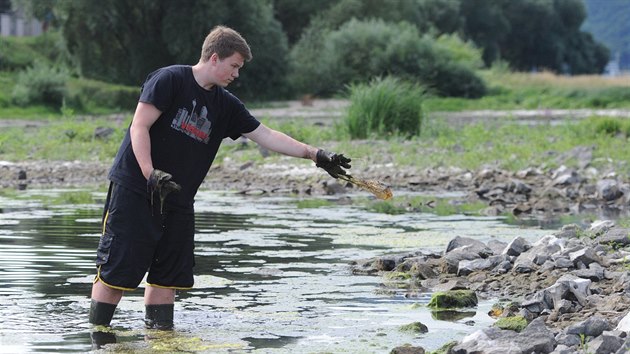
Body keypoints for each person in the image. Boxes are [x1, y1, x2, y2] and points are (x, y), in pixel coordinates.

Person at [88, 25, 351, 332]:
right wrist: (150, 173)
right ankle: (98, 341)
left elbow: (265, 135)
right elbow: (139, 127)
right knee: (116, 272)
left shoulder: (226, 105)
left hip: (178, 199)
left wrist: (315, 154)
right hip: (136, 189)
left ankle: (160, 342)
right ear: (215, 58)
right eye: (234, 66)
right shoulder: (170, 79)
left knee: (167, 278)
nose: (236, 74)